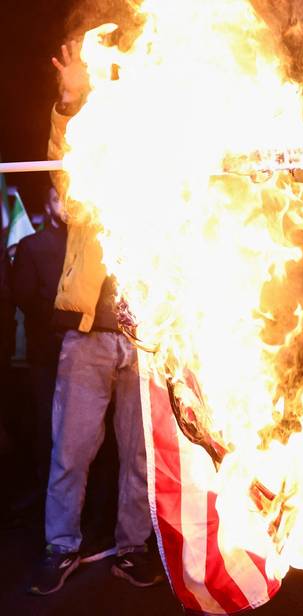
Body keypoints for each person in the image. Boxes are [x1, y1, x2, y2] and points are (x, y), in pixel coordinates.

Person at [28, 39, 162, 595]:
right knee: (71, 451)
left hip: (149, 338)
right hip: (89, 337)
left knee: (141, 455)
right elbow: (63, 173)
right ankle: (60, 546)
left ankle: (134, 546)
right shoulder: (92, 181)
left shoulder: (168, 183)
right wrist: (68, 103)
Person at [12, 186, 67, 492]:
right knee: (45, 425)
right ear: (47, 205)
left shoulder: (91, 245)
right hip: (46, 352)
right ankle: (43, 495)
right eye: (58, 199)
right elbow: (23, 296)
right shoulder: (32, 245)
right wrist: (60, 318)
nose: (65, 205)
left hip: (80, 352)